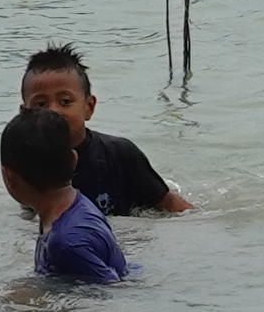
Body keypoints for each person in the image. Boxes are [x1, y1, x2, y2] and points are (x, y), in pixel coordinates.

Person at [19, 45, 190, 216]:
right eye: (40, 104)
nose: (54, 111)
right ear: (24, 113)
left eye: (65, 101)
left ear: (89, 107)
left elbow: (171, 205)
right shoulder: (26, 163)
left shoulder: (121, 155)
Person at [1, 105, 132, 287]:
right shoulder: (73, 207)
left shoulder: (65, 243)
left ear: (9, 177)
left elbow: (112, 291)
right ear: (74, 160)